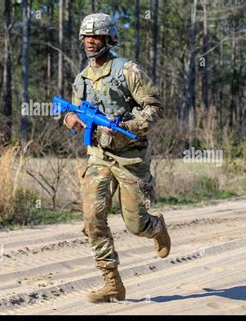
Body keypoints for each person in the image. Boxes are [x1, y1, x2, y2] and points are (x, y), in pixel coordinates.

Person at [62, 13, 171, 303]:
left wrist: (128, 126)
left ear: (109, 39)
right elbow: (71, 110)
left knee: (136, 225)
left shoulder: (128, 71)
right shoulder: (82, 78)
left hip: (130, 158)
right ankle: (112, 283)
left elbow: (156, 107)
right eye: (86, 36)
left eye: (95, 36)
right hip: (98, 156)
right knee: (92, 220)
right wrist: (70, 118)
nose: (89, 41)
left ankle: (156, 226)